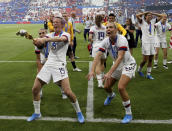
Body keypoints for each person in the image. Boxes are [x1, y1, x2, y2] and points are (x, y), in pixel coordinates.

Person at [27, 16, 85, 123]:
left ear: (62, 24)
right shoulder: (49, 35)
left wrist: (45, 39)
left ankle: (79, 112)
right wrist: (35, 41)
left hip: (60, 65)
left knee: (67, 92)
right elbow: (40, 43)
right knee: (35, 89)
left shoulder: (66, 34)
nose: (55, 24)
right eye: (54, 22)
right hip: (49, 63)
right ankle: (37, 113)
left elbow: (61, 39)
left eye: (57, 22)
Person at [87, 22, 136, 124]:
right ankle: (111, 95)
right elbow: (97, 56)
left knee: (121, 87)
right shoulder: (106, 41)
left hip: (128, 64)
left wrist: (109, 72)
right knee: (106, 87)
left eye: (110, 27)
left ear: (116, 30)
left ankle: (129, 114)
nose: (108, 29)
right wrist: (92, 70)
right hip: (117, 65)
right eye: (107, 28)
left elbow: (120, 57)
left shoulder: (122, 40)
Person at [35, 28, 68, 99]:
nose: (41, 35)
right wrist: (39, 69)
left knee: (58, 80)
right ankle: (39, 93)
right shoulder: (37, 43)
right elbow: (38, 58)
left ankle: (63, 92)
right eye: (40, 33)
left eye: (43, 33)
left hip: (54, 60)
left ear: (46, 34)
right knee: (39, 78)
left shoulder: (51, 40)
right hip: (43, 59)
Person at [136, 12, 163, 80]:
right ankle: (139, 70)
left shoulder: (153, 22)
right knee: (145, 60)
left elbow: (162, 16)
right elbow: (137, 15)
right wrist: (146, 12)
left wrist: (153, 13)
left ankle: (148, 74)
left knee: (151, 59)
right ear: (145, 17)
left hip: (152, 42)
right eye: (148, 15)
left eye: (151, 16)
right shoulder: (142, 22)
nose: (150, 16)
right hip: (145, 43)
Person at [89, 14, 106, 88]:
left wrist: (93, 41)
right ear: (102, 20)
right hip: (104, 47)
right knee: (102, 63)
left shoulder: (92, 28)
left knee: (97, 64)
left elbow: (90, 38)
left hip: (96, 47)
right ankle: (101, 77)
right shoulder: (105, 27)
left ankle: (100, 83)